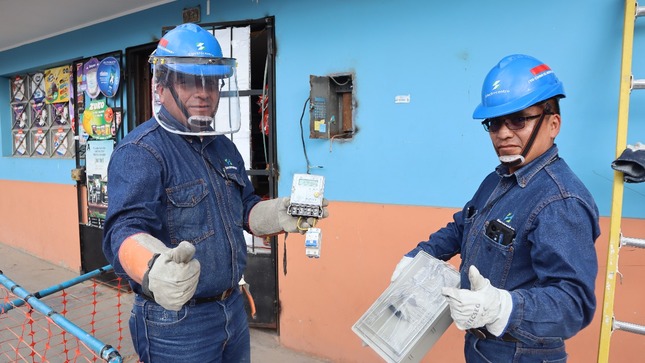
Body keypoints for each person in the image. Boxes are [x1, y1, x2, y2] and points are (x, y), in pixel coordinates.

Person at [102, 23, 328, 363]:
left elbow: (245, 207)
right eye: (188, 80)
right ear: (160, 88)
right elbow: (123, 230)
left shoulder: (223, 146)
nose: (203, 92)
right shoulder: (141, 151)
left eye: (210, 81)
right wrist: (152, 266)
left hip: (232, 309)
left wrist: (279, 213)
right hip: (176, 325)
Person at [391, 54, 600, 362]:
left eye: (518, 120)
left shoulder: (560, 201)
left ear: (553, 124)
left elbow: (574, 304)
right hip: (480, 347)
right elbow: (464, 224)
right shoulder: (499, 179)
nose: (503, 133)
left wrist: (502, 306)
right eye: (494, 123)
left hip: (523, 353)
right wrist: (421, 256)